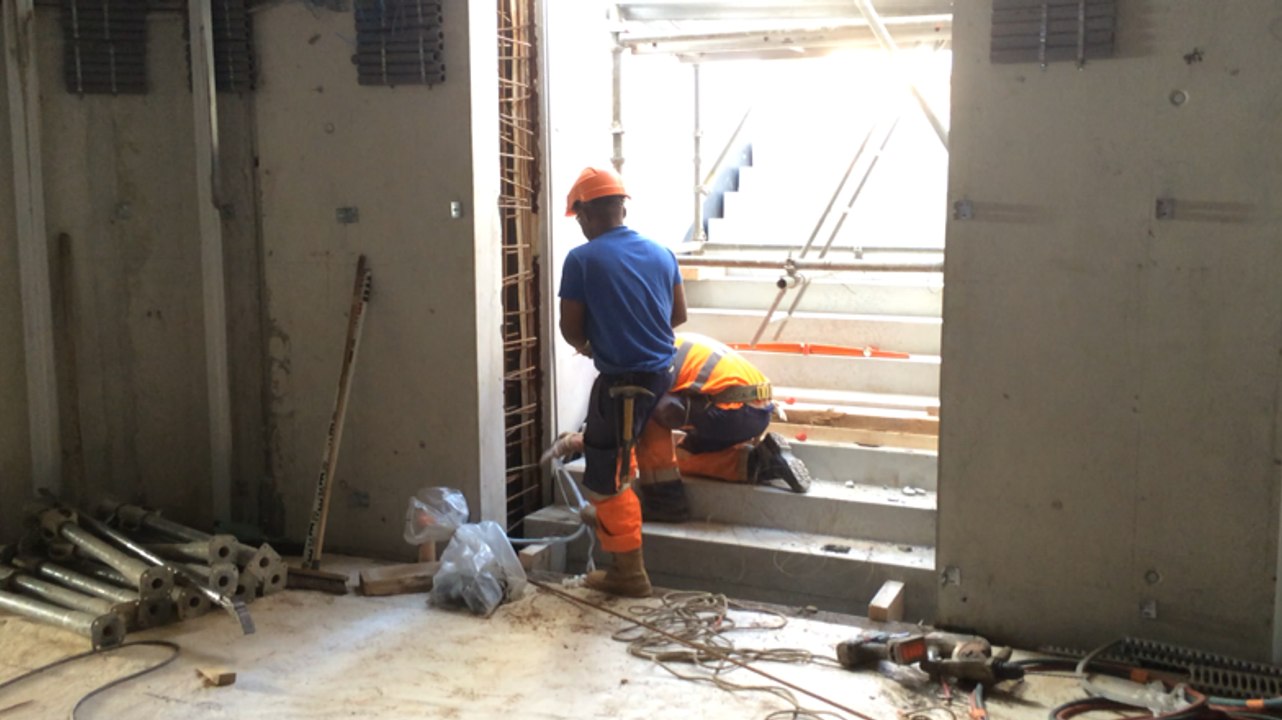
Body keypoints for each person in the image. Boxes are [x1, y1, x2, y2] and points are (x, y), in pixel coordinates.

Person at [557, 166, 687, 598]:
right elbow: (677, 318)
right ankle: (616, 523)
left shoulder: (582, 259)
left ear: (586, 215)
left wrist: (595, 345)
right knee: (621, 457)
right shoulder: (663, 253)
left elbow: (571, 329)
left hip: (620, 382)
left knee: (604, 477)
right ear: (621, 208)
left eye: (578, 219)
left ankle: (629, 572)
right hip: (660, 375)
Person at [545, 332, 812, 522]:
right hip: (754, 411)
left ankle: (664, 500)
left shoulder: (647, 360)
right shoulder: (664, 340)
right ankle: (760, 462)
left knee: (651, 410)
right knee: (681, 458)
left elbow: (632, 424)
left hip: (732, 412)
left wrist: (586, 442)